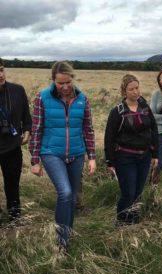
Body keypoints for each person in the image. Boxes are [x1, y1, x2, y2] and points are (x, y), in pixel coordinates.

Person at [29, 61, 96, 251]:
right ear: (53, 81)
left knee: (72, 197)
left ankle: (68, 232)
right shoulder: (42, 98)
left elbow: (88, 130)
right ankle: (61, 241)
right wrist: (34, 160)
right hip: (51, 152)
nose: (65, 87)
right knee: (65, 193)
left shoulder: (83, 99)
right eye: (60, 83)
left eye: (68, 82)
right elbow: (36, 129)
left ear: (72, 79)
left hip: (76, 154)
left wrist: (92, 156)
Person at [104, 74, 158, 226]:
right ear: (124, 91)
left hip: (145, 157)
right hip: (125, 158)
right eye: (131, 89)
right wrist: (110, 162)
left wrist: (155, 154)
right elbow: (109, 138)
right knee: (128, 192)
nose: (135, 92)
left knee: (138, 192)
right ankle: (122, 222)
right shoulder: (117, 112)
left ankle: (134, 221)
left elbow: (153, 129)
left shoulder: (145, 108)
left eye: (137, 87)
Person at [0, 58, 32, 222]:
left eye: (1, 69)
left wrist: (27, 132)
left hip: (12, 147)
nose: (0, 74)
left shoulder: (17, 90)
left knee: (12, 185)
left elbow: (27, 118)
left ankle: (14, 217)